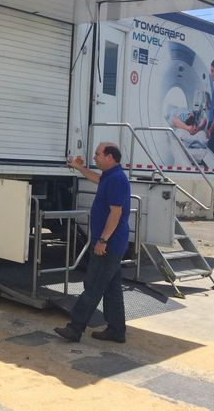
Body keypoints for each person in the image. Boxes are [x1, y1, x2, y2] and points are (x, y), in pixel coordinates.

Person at [54, 142, 131, 343]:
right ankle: (116, 331)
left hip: (109, 245)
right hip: (112, 244)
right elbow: (95, 178)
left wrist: (103, 240)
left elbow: (116, 213)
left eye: (98, 154)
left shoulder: (116, 180)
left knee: (93, 286)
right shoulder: (109, 176)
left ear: (110, 157)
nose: (94, 157)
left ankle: (75, 328)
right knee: (111, 289)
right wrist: (78, 167)